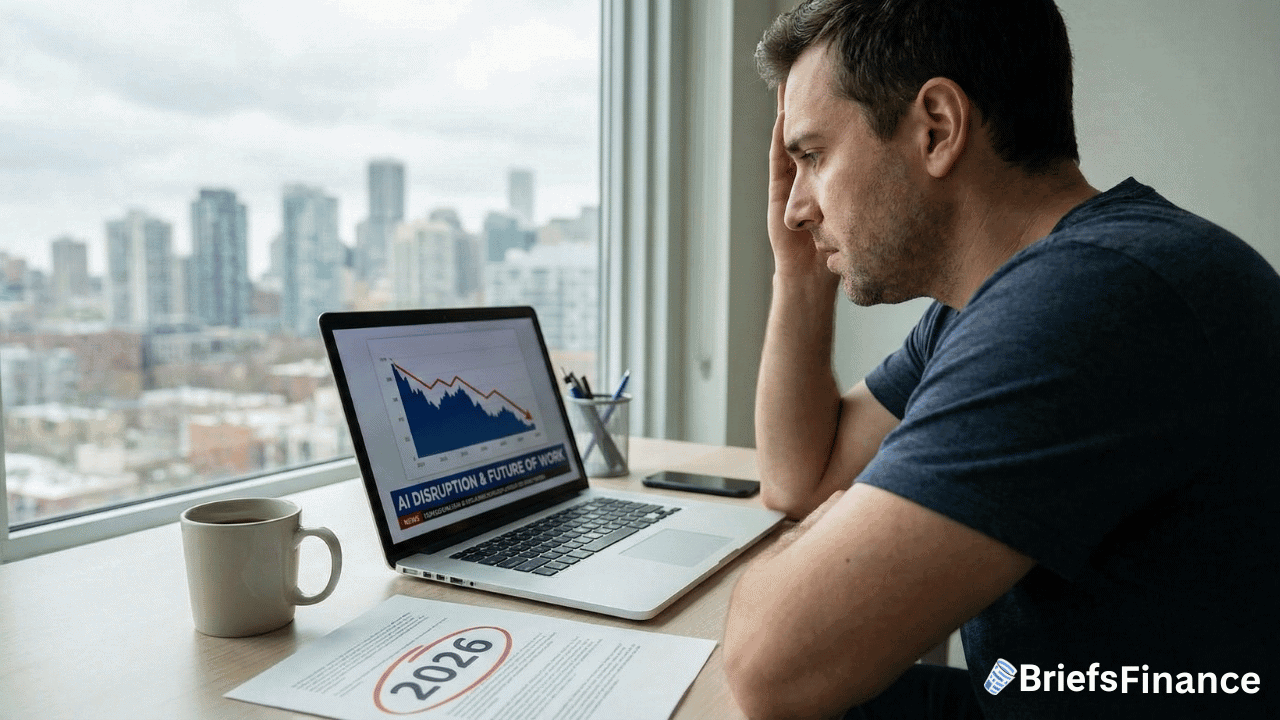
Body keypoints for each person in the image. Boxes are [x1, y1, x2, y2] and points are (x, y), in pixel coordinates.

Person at [721, 1, 1280, 718]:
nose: (797, 206)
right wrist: (798, 272)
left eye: (813, 157)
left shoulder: (1091, 298)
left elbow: (775, 670)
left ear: (937, 129)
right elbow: (802, 479)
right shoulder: (1001, 298)